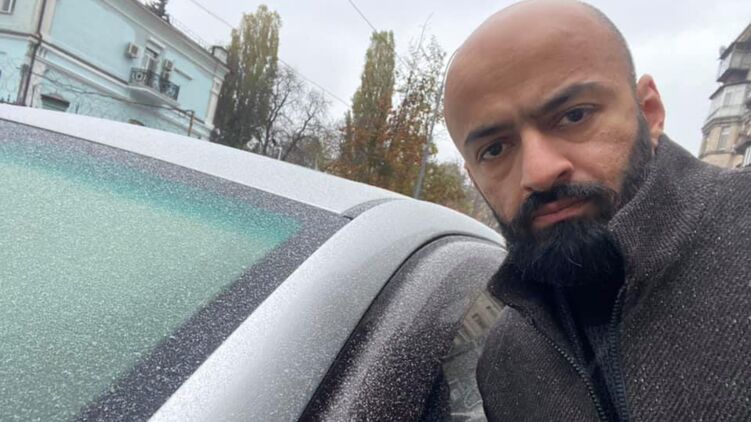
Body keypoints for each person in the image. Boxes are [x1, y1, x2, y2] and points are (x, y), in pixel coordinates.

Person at [442, 1, 751, 421]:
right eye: (495, 149)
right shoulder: (504, 364)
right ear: (475, 177)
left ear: (649, 112)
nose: (540, 173)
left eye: (573, 116)